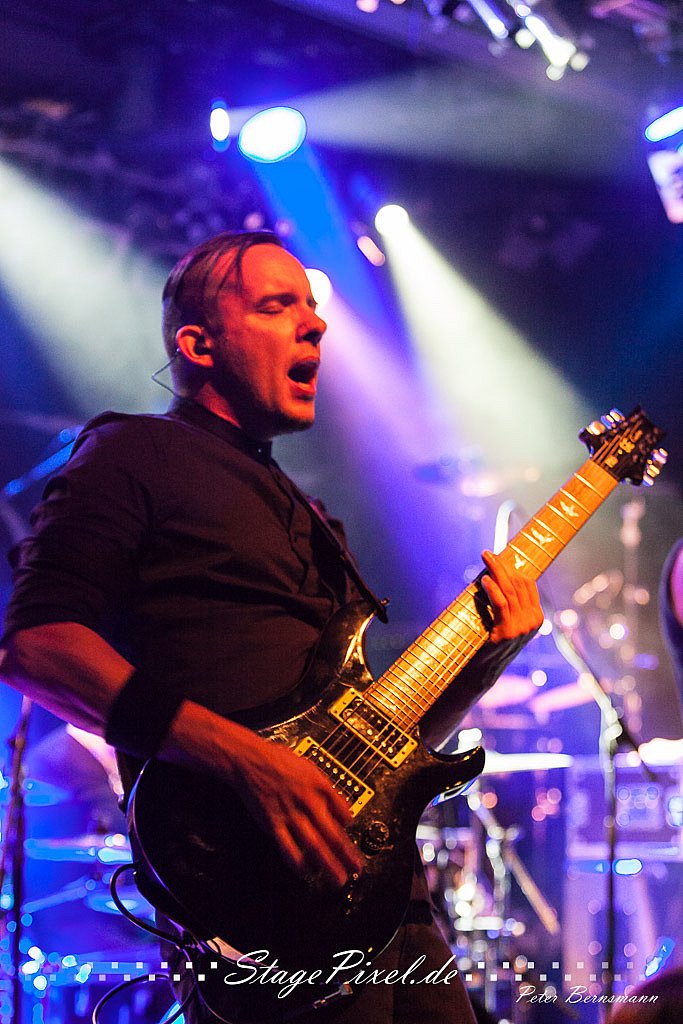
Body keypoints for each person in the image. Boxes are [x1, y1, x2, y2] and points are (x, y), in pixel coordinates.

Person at [0, 231, 543, 1023]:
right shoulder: (131, 452)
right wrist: (248, 761)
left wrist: (486, 662)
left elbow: (385, 748)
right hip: (254, 895)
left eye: (313, 308)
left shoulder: (312, 516)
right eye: (276, 305)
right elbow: (38, 648)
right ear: (198, 344)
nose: (315, 324)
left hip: (384, 894)